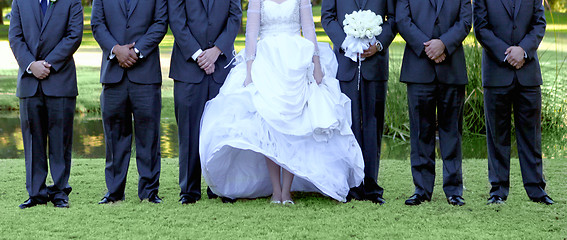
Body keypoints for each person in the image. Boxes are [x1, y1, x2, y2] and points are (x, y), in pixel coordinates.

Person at [199, 0, 365, 204]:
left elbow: (309, 29)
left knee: (293, 126)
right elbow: (251, 34)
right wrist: (250, 70)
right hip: (267, 62)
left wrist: (316, 64)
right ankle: (275, 190)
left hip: (295, 61)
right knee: (270, 125)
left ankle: (286, 190)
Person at [474, 0, 553, 205]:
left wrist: (523, 50)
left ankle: (536, 190)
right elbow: (481, 29)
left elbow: (539, 24)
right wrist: (508, 53)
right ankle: (498, 191)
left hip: (528, 74)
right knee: (497, 136)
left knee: (531, 135)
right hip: (496, 73)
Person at [91, 0, 168, 204]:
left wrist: (137, 51)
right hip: (113, 75)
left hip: (146, 74)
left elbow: (160, 23)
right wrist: (116, 49)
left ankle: (149, 192)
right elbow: (97, 24)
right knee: (114, 137)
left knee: (149, 137)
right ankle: (114, 193)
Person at [321, 0, 397, 205]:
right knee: (348, 124)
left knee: (373, 124)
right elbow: (327, 17)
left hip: (376, 62)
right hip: (345, 63)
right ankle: (350, 185)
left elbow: (394, 17)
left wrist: (378, 44)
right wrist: (345, 43)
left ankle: (371, 186)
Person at [9, 0, 83, 209]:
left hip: (60, 80)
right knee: (32, 140)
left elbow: (74, 36)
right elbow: (15, 37)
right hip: (29, 81)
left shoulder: (72, 2)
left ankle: (60, 191)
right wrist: (31, 65)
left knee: (61, 140)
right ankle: (36, 193)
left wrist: (48, 64)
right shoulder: (19, 2)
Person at [396, 0, 471, 206]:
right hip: (418, 67)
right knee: (420, 132)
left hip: (452, 65)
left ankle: (454, 190)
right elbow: (403, 20)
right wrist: (428, 47)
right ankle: (421, 190)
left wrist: (443, 44)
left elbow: (465, 21)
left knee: (452, 132)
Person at [168, 0, 242, 204]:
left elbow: (235, 17)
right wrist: (198, 54)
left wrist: (217, 50)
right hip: (187, 67)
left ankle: (219, 187)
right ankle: (189, 190)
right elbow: (176, 19)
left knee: (222, 130)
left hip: (221, 66)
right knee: (189, 132)